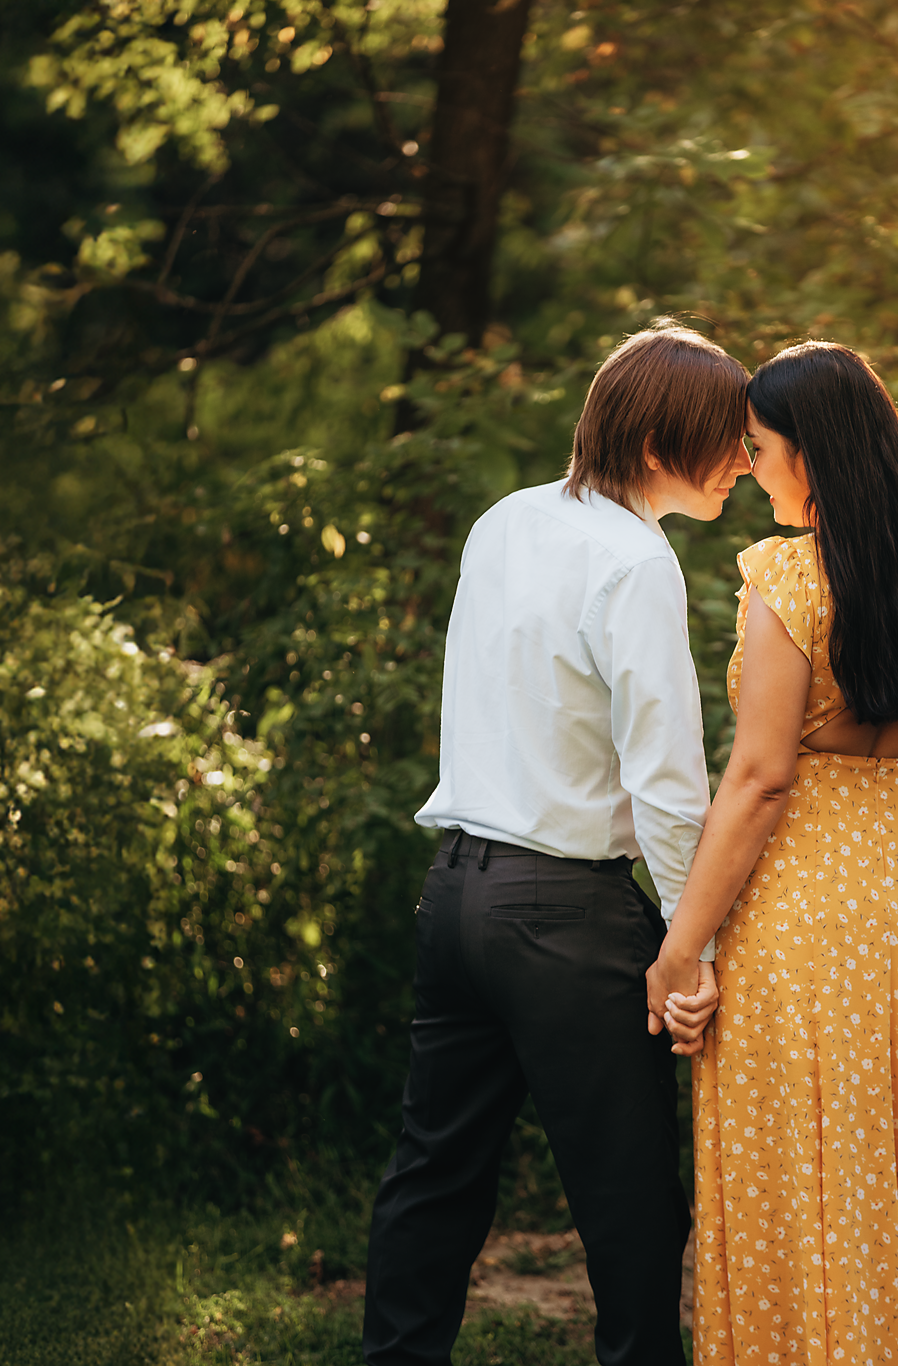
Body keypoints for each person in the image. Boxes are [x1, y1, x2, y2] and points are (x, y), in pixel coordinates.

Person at [363, 320, 748, 1366]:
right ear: (667, 436)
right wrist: (692, 943)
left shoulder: (504, 521)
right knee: (630, 1203)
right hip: (564, 916)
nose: (746, 465)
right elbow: (666, 784)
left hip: (455, 896)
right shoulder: (636, 561)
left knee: (432, 1180)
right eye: (730, 439)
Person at [657, 341, 898, 1366]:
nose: (752, 468)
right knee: (895, 1186)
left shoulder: (784, 578)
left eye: (758, 447)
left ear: (810, 455)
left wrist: (680, 944)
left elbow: (760, 776)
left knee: (794, 1178)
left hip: (792, 921)